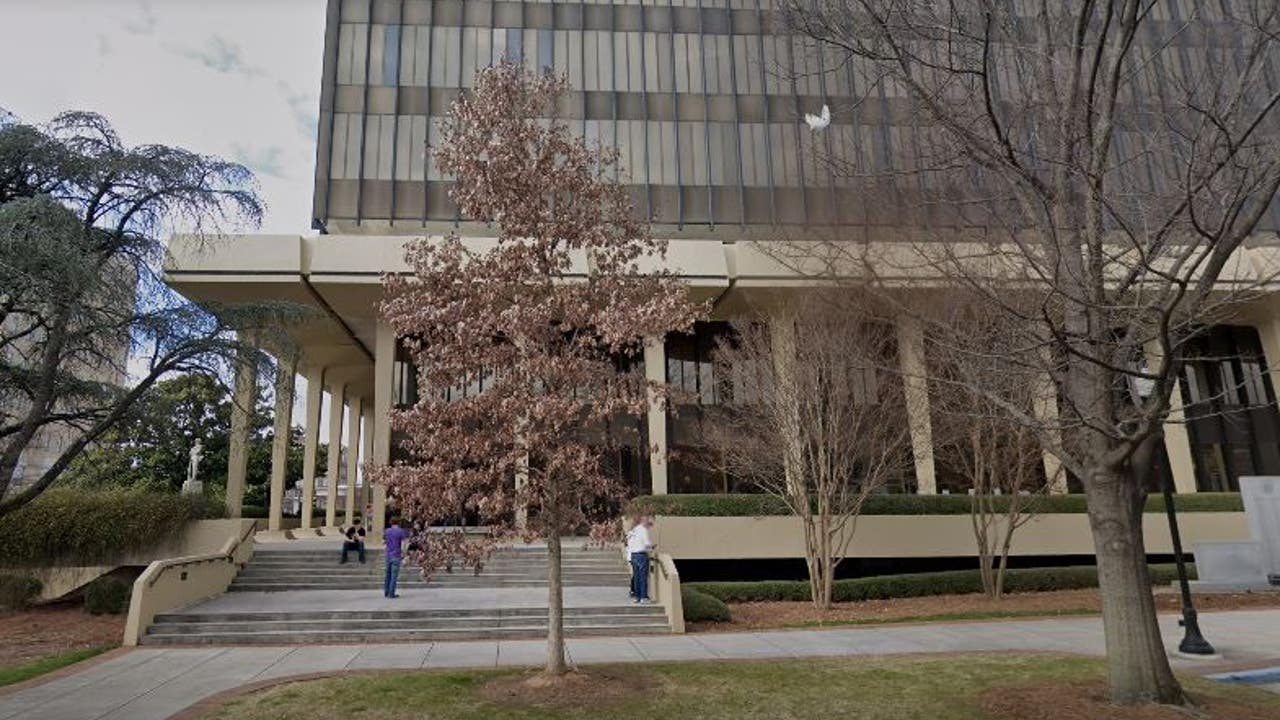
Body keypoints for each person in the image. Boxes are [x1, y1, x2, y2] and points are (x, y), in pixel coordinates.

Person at [625, 515, 654, 604]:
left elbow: (630, 543)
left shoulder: (634, 530)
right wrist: (651, 547)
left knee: (636, 577)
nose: (649, 525)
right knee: (643, 577)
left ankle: (637, 597)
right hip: (641, 555)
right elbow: (646, 543)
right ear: (644, 521)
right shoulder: (643, 530)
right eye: (648, 522)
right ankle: (643, 597)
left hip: (633, 555)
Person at [383, 516, 409, 599]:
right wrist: (404, 554)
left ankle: (386, 591)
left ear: (391, 522)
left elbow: (384, 542)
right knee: (394, 575)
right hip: (396, 555)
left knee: (388, 574)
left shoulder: (387, 531)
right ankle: (391, 593)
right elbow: (403, 544)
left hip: (388, 555)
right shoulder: (401, 531)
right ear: (399, 522)